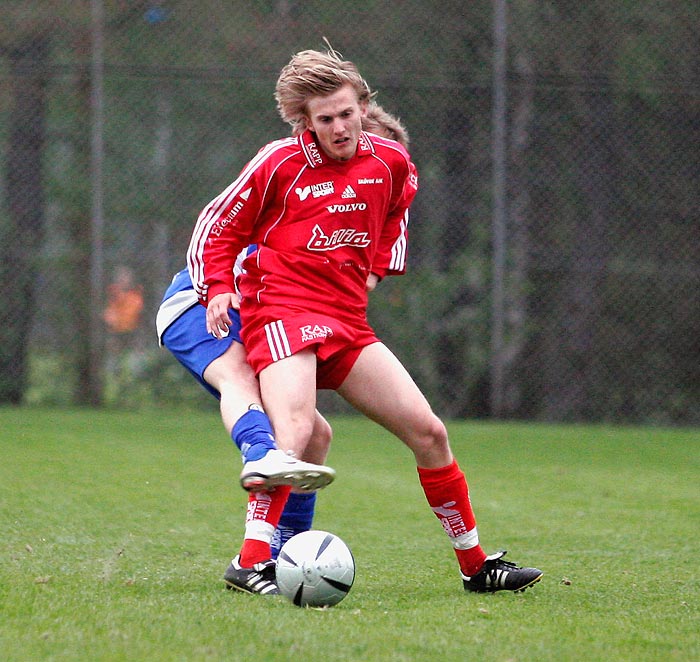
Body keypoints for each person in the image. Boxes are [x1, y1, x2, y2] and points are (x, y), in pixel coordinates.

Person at [187, 46, 542, 594]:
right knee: (296, 432)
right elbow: (221, 226)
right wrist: (216, 289)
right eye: (324, 118)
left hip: (346, 319)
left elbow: (397, 212)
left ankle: (476, 566)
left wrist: (376, 271)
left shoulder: (390, 162)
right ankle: (249, 562)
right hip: (281, 306)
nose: (339, 126)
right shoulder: (278, 163)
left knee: (429, 433)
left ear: (363, 106)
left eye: (346, 113)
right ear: (305, 121)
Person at [158, 103, 410, 595]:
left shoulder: (365, 204)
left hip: (255, 310)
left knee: (315, 434)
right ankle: (258, 458)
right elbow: (231, 244)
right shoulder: (294, 185)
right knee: (242, 383)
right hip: (199, 301)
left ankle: (280, 555)